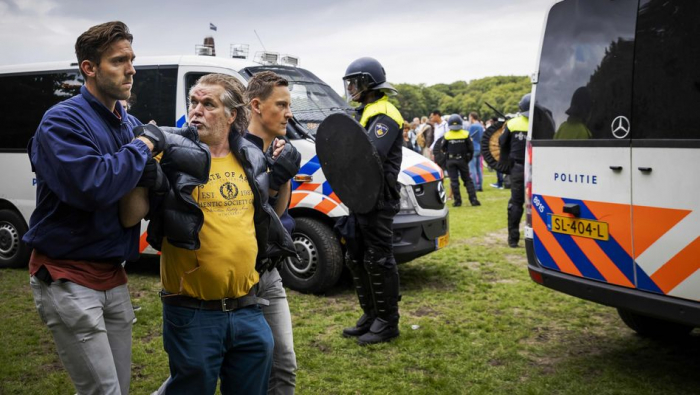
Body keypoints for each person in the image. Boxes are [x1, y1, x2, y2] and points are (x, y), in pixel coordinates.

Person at [24, 21, 164, 395]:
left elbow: (135, 202)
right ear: (89, 68)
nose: (131, 69)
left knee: (119, 386)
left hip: (112, 275)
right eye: (119, 61)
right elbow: (94, 185)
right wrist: (143, 148)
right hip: (67, 275)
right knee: (104, 392)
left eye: (131, 59)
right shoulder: (61, 120)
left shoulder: (129, 122)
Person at [150, 73, 296, 394]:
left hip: (248, 309)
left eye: (208, 104)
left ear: (232, 115)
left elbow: (270, 214)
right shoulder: (170, 157)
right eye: (194, 102)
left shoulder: (251, 156)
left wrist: (283, 175)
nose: (196, 111)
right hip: (193, 312)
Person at [244, 70, 301, 395]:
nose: (288, 113)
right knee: (236, 369)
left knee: (284, 366)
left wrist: (282, 175)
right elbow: (246, 217)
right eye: (281, 105)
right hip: (239, 277)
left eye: (288, 105)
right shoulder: (235, 150)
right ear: (256, 105)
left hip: (270, 273)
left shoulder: (280, 148)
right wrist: (272, 179)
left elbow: (277, 217)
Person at [340, 57, 403, 345]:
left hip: (378, 199)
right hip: (359, 196)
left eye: (354, 82)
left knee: (379, 259)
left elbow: (370, 155)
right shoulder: (365, 111)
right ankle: (371, 314)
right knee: (356, 257)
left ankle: (388, 321)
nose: (350, 87)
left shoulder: (385, 114)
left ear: (367, 83)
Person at [499, 93, 530, 248]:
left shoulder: (512, 124)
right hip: (538, 169)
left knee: (516, 204)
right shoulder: (543, 122)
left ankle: (513, 239)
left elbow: (501, 142)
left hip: (518, 168)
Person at [441, 114, 481, 207]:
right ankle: (473, 200)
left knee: (454, 181)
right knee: (467, 180)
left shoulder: (447, 135)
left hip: (451, 160)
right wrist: (467, 159)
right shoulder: (465, 134)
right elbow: (471, 149)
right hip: (462, 160)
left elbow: (442, 148)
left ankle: (457, 201)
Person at [467, 112, 485, 191]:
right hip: (479, 148)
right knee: (479, 169)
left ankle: (474, 185)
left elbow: (469, 137)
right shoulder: (480, 126)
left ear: (471, 117)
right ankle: (480, 186)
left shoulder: (472, 126)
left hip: (473, 148)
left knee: (472, 168)